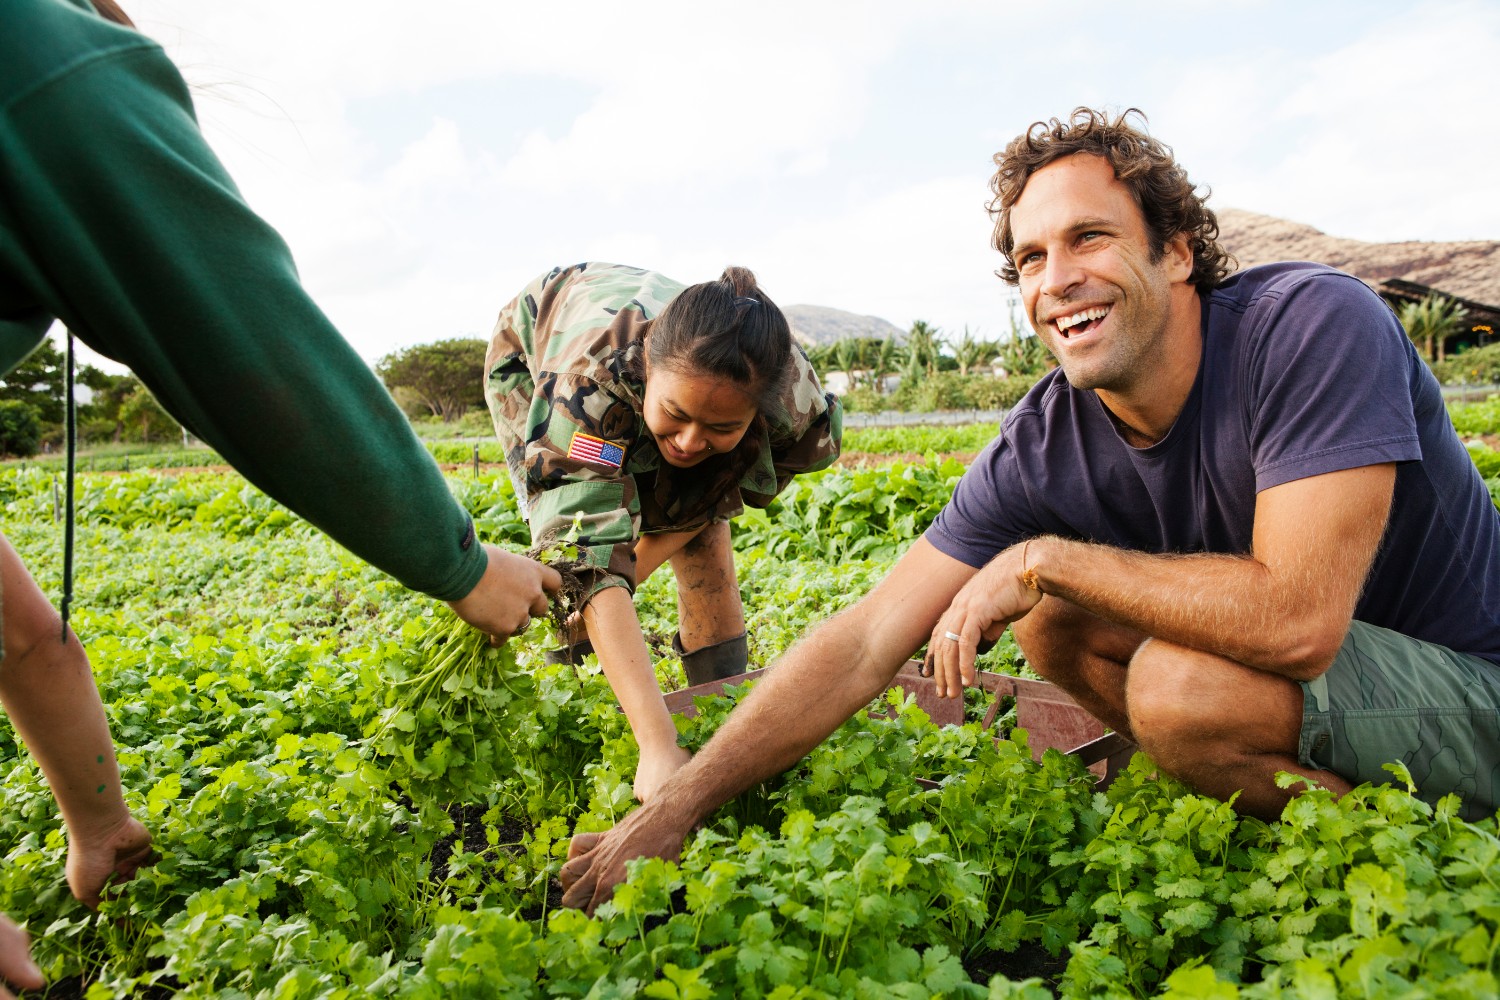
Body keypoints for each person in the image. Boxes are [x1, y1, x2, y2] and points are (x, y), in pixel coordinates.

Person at [557, 106, 1500, 914]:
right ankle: (1252, 794)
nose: (1058, 277)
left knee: (1172, 684)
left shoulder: (1311, 327)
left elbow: (1297, 625)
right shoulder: (1048, 434)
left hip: (1473, 687)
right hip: (1319, 699)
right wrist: (675, 807)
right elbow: (867, 635)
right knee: (1058, 624)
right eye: (1031, 258)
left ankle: (1413, 867)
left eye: (1090, 237)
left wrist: (1049, 556)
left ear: (1175, 250)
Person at [0, 1, 561, 992]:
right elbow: (249, 346)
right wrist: (461, 562)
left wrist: (96, 825)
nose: (694, 438)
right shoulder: (44, 65)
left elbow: (26, 641)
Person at [485, 261, 842, 803]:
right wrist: (657, 744)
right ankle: (584, 724)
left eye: (722, 427)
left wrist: (637, 563)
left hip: (680, 379)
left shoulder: (792, 397)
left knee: (703, 534)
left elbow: (731, 490)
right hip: (535, 347)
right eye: (676, 414)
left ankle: (716, 706)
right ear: (649, 372)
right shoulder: (586, 390)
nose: (690, 442)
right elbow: (586, 550)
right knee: (578, 559)